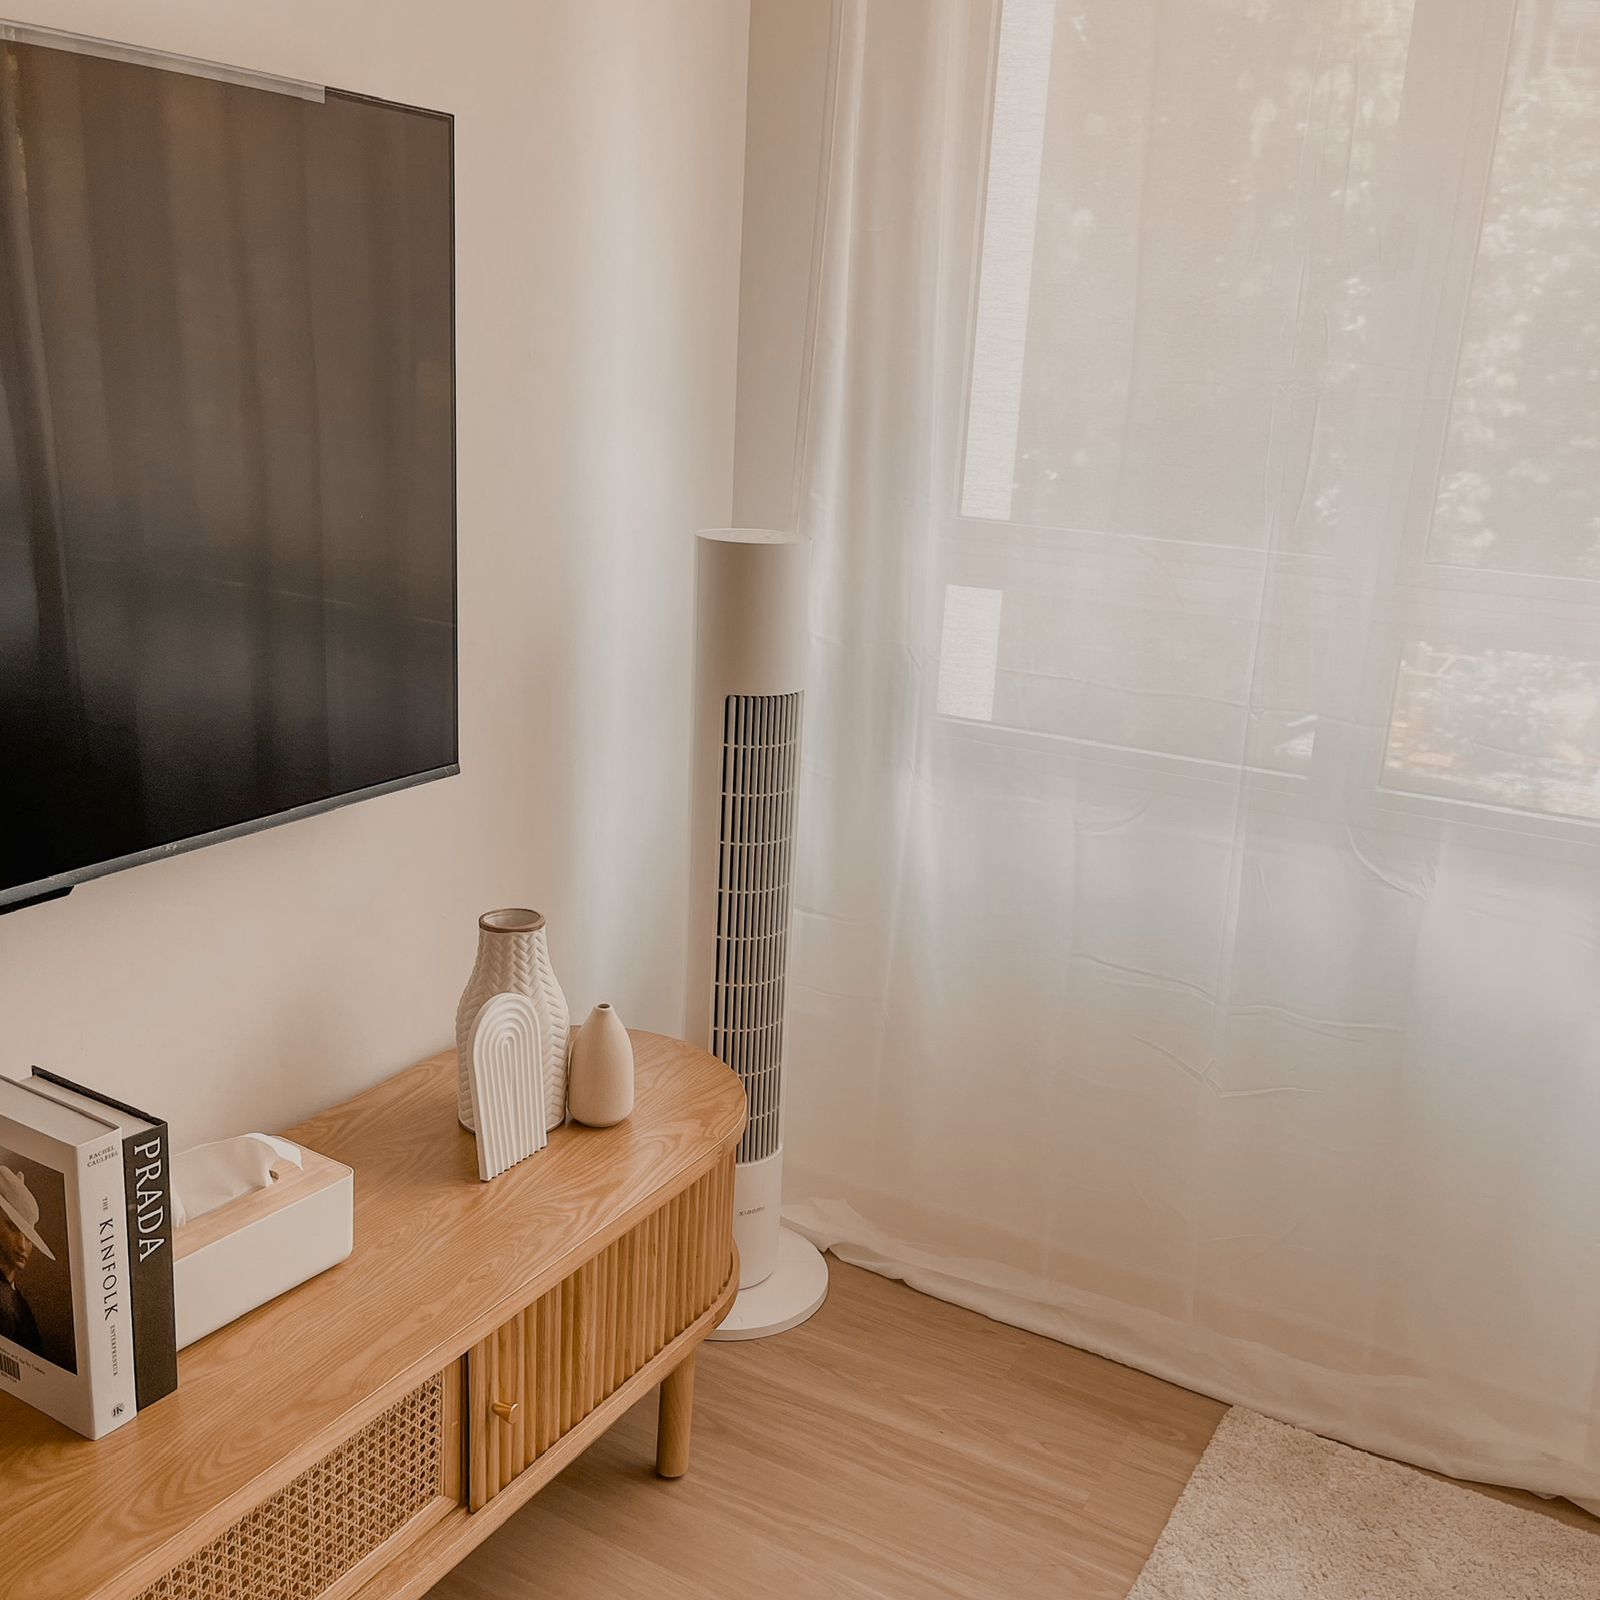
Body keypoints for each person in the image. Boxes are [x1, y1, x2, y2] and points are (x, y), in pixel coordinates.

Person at [0, 1165, 55, 1357]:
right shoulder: (5, 1302)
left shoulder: (15, 1299)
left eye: (29, 1236)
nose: (23, 1246)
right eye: (12, 1228)